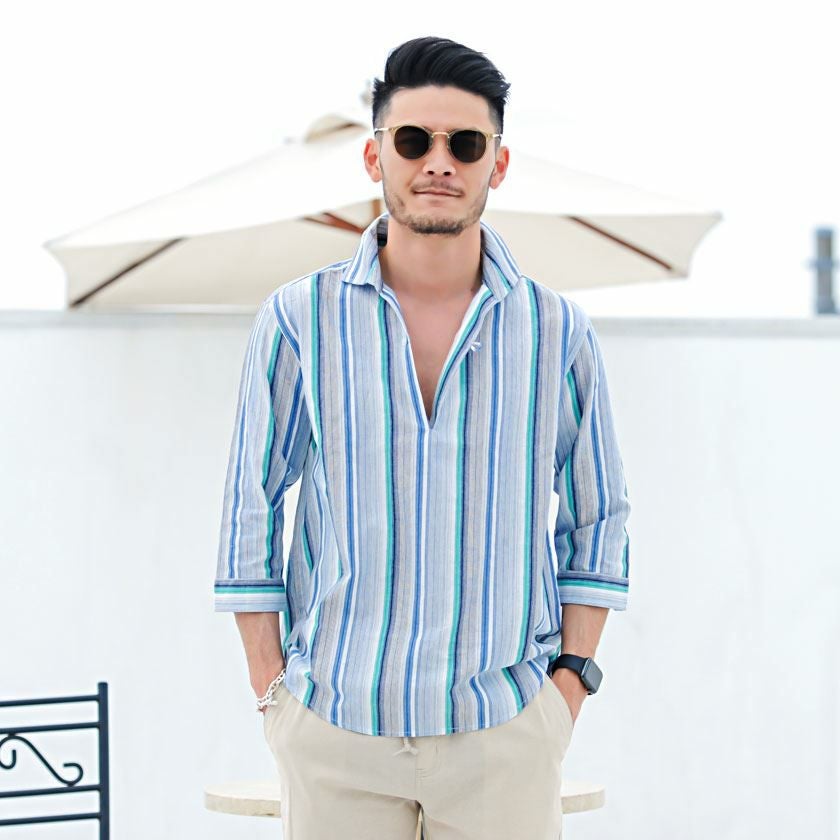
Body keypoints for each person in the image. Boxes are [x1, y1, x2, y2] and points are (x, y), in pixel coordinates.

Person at [214, 35, 631, 840]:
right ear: (376, 156)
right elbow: (250, 506)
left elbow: (599, 516)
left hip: (503, 732)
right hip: (334, 727)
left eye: (465, 143)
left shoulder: (557, 331)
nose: (438, 161)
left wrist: (568, 687)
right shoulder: (299, 320)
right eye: (413, 140)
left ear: (496, 165)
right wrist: (275, 694)